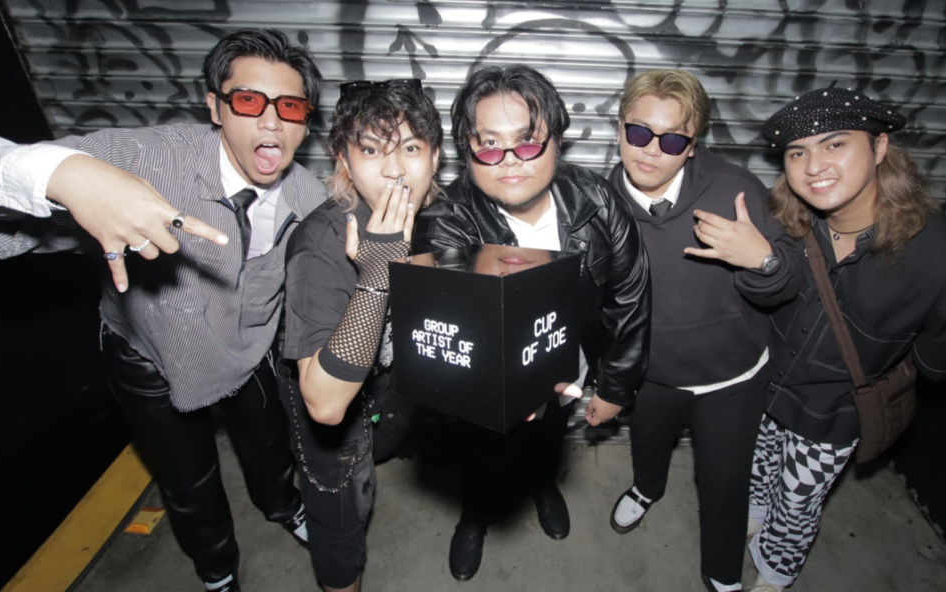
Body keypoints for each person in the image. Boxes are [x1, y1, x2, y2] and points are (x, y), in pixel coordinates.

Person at [0, 28, 330, 592]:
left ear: (305, 122)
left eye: (289, 107)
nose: (271, 122)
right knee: (189, 482)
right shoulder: (147, 159)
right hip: (151, 358)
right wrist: (64, 176)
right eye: (249, 101)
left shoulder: (308, 196)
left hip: (247, 349)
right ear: (215, 107)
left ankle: (281, 505)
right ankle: (217, 572)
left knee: (269, 447)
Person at [718, 87, 946, 592]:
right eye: (797, 152)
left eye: (835, 144)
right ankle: (749, 521)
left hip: (832, 412)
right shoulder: (783, 222)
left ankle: (775, 574)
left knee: (796, 503)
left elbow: (938, 364)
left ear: (880, 146)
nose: (814, 166)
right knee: (755, 470)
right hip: (762, 385)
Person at [413, 64, 651, 581]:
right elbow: (446, 328)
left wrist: (616, 385)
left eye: (527, 142)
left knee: (549, 441)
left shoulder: (597, 202)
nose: (509, 161)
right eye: (489, 145)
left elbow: (630, 294)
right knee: (484, 455)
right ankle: (475, 516)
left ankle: (543, 485)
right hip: (487, 386)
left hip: (569, 370)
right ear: (467, 150)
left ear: (556, 141)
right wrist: (490, 390)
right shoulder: (445, 221)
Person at [604, 70, 801, 592]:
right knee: (647, 445)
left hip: (732, 376)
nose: (651, 150)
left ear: (692, 146)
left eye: (672, 140)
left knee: (725, 484)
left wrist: (762, 262)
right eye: (638, 132)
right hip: (652, 373)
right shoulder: (599, 204)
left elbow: (788, 282)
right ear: (619, 128)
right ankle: (647, 489)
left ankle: (721, 574)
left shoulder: (736, 190)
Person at [278, 79, 441, 592]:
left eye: (411, 148)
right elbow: (325, 405)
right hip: (331, 409)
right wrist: (376, 274)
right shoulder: (320, 246)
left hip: (384, 390)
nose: (394, 169)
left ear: (435, 158)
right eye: (370, 150)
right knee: (340, 525)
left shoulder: (421, 212)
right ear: (344, 162)